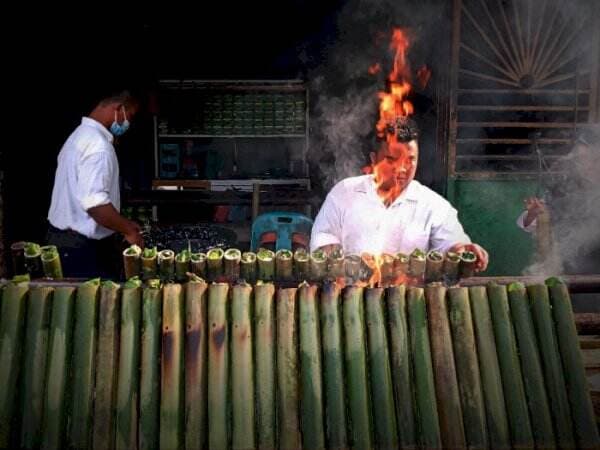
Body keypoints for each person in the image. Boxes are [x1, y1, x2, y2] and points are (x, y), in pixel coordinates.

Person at [310, 117, 488, 271]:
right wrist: (330, 254)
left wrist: (463, 250)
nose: (402, 169)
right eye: (392, 159)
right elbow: (323, 237)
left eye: (410, 160)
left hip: (409, 302)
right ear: (374, 159)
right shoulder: (344, 193)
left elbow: (452, 245)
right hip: (352, 299)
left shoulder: (433, 205)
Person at [46, 88, 144, 278]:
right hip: (82, 249)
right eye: (129, 116)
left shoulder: (78, 136)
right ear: (119, 109)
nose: (128, 123)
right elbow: (96, 204)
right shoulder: (99, 147)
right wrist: (129, 229)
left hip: (62, 241)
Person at [517, 127, 600, 274]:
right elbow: (528, 223)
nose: (585, 166)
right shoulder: (564, 187)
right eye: (580, 159)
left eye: (592, 159)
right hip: (568, 271)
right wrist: (533, 214)